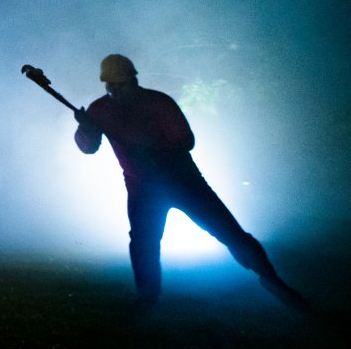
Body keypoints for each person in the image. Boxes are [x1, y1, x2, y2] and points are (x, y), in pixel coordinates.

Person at [73, 54, 307, 312]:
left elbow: (186, 140)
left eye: (121, 83)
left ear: (134, 79)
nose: (115, 89)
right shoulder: (99, 110)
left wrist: (155, 152)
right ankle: (147, 297)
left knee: (227, 230)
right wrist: (86, 128)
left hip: (184, 182)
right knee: (143, 242)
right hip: (142, 189)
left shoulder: (159, 102)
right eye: (110, 85)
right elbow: (89, 148)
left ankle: (271, 279)